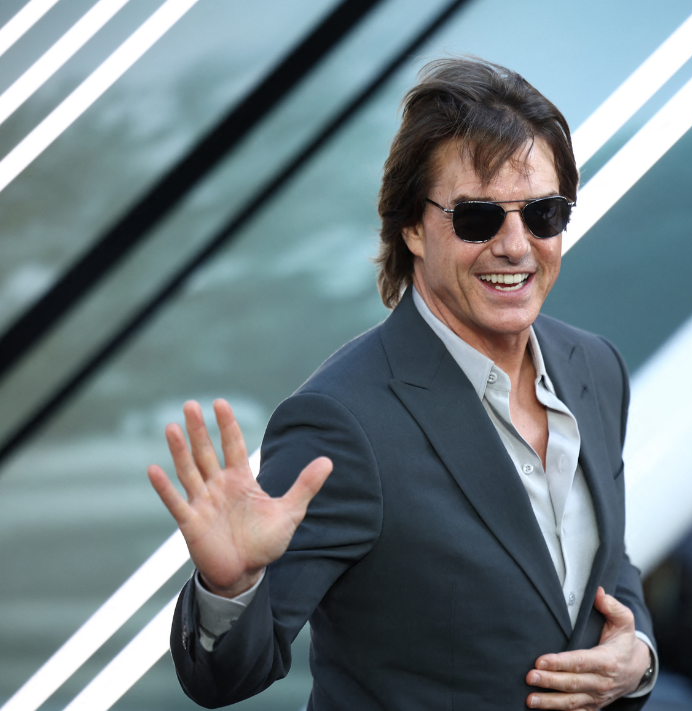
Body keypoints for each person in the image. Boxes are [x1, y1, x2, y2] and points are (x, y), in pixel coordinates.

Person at [147, 57, 656, 710]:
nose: (516, 245)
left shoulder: (596, 366)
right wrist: (231, 585)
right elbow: (228, 676)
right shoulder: (341, 420)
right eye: (478, 218)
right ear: (413, 226)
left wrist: (636, 654)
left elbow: (605, 563)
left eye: (543, 213)